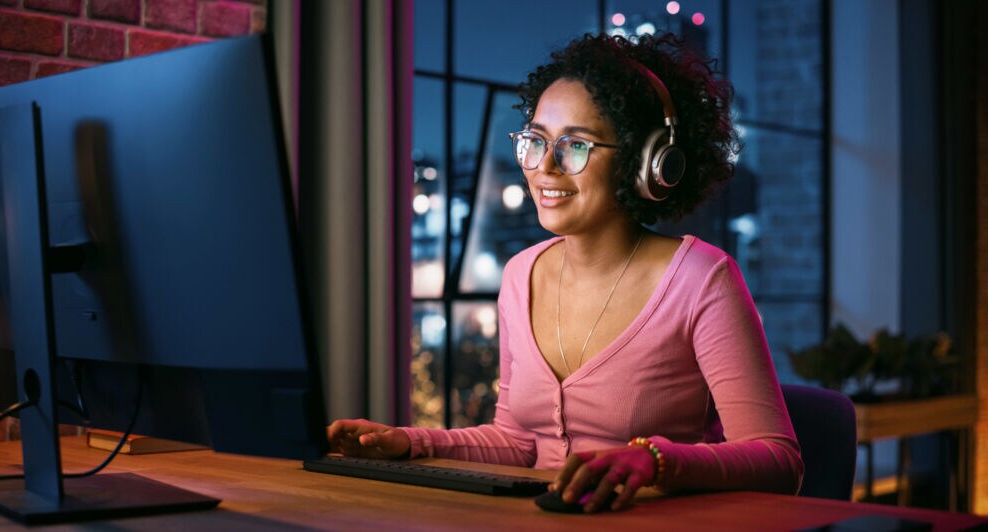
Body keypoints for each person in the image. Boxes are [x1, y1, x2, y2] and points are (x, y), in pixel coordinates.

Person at [327, 32, 803, 513]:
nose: (545, 168)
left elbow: (780, 461)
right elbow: (517, 442)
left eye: (575, 145)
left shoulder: (703, 279)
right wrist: (408, 443)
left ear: (645, 162)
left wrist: (652, 461)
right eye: (535, 141)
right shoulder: (520, 275)